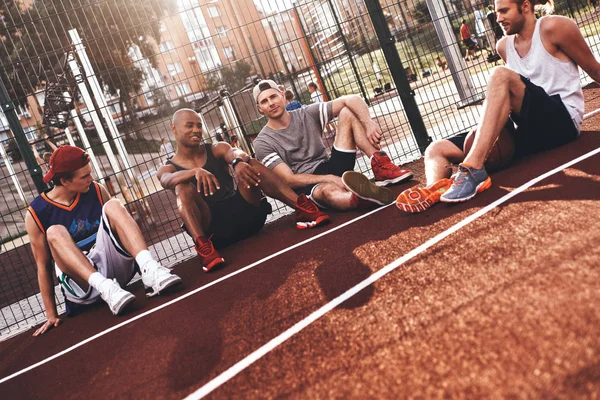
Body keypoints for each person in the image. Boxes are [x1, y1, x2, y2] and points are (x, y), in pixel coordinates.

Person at [396, 0, 598, 212]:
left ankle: (473, 168)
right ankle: (433, 190)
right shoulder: (503, 46)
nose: (498, 18)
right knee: (435, 149)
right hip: (528, 129)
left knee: (500, 75)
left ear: (526, 7)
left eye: (504, 11)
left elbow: (593, 69)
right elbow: (511, 100)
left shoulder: (554, 27)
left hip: (562, 122)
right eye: (496, 12)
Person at [26, 146, 182, 335]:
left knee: (114, 205)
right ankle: (106, 288)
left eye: (89, 174)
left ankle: (150, 270)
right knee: (54, 231)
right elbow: (42, 266)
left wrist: (144, 269)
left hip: (115, 272)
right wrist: (51, 314)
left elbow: (119, 229)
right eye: (84, 176)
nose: (91, 179)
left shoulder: (96, 190)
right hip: (83, 285)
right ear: (65, 181)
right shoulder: (37, 212)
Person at [157, 108, 330, 272]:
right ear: (174, 128)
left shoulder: (216, 149)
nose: (196, 130)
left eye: (199, 125)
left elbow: (235, 152)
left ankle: (302, 207)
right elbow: (166, 180)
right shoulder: (167, 168)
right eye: (189, 125)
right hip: (215, 233)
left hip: (245, 215)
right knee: (182, 188)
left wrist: (237, 162)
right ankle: (204, 250)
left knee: (250, 164)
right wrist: (194, 172)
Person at [252, 80, 413, 211]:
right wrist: (329, 179)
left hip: (330, 166)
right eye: (264, 101)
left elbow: (351, 99)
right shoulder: (262, 142)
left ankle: (380, 165)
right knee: (329, 191)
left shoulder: (306, 113)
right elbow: (289, 180)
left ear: (282, 95)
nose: (271, 103)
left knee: (347, 111)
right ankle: (357, 198)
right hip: (308, 185)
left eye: (273, 97)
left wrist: (368, 122)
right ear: (260, 109)